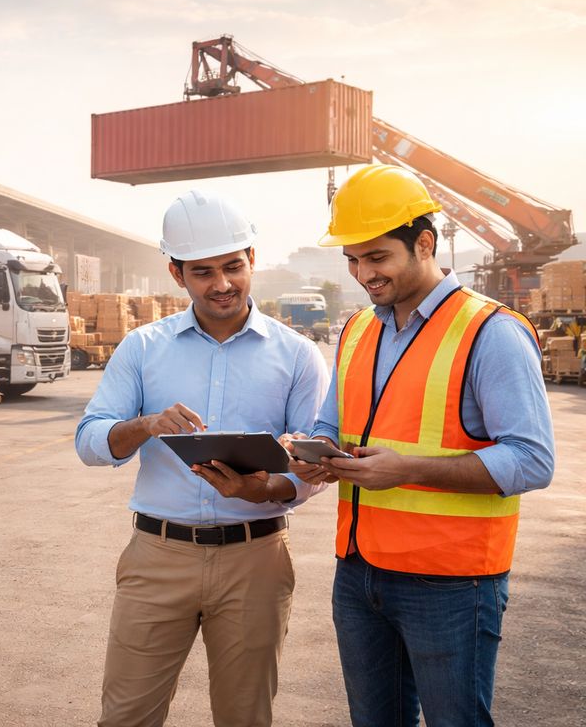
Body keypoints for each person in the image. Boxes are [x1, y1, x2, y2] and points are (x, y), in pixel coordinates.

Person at [289, 164, 554, 726]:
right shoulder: (358, 329)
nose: (364, 274)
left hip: (452, 582)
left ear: (425, 244)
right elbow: (331, 423)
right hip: (359, 570)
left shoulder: (491, 332)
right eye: (352, 260)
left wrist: (407, 469)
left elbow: (531, 460)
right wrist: (317, 451)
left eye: (377, 257)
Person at [76, 190, 328, 727]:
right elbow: (90, 441)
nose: (222, 284)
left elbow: (312, 467)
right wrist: (145, 425)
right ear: (177, 273)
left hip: (255, 560)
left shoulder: (297, 355)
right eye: (203, 272)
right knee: (125, 718)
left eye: (233, 266)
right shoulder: (143, 347)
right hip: (158, 557)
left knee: (245, 717)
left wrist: (264, 488)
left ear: (252, 259)